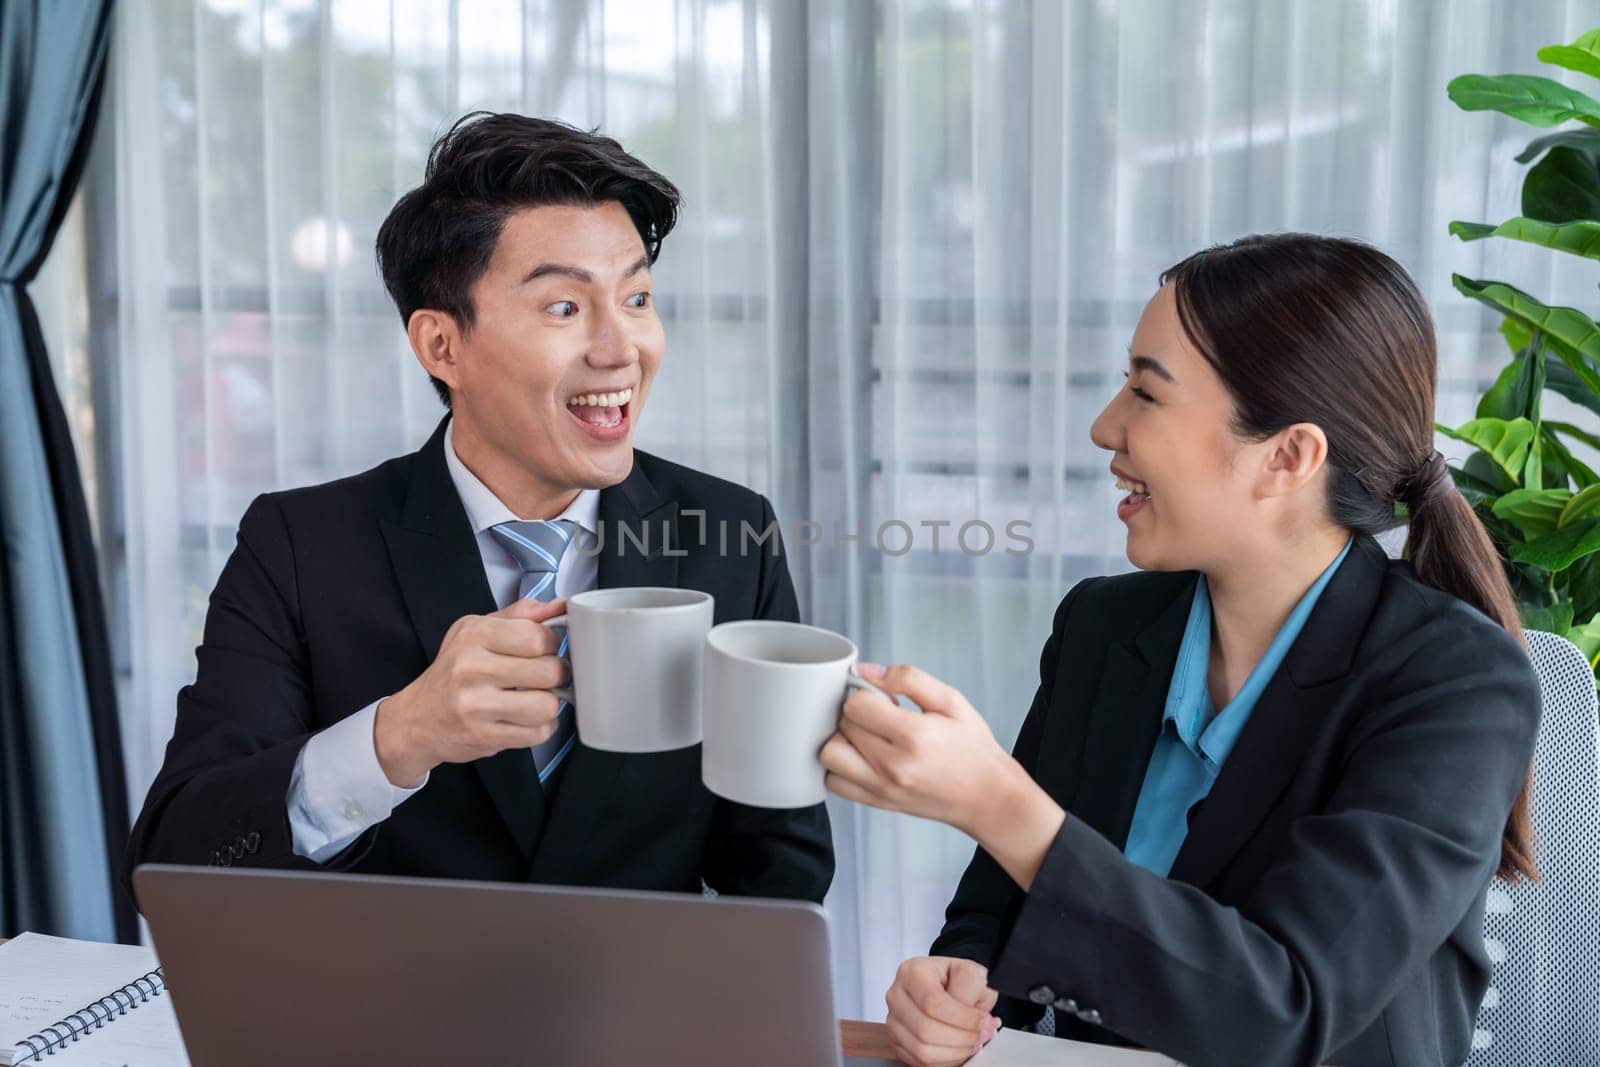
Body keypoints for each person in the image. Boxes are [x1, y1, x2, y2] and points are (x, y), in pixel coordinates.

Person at [820, 234, 1539, 1067]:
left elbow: (1287, 1007)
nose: (1104, 428)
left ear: (1288, 456)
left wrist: (994, 800)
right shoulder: (1103, 628)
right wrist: (956, 983)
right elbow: (998, 908)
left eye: (1146, 394)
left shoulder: (1457, 685)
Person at [125, 113, 832, 905]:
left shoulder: (734, 537)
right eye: (565, 307)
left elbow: (781, 871)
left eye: (636, 297)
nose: (620, 347)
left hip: (648, 1018)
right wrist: (399, 737)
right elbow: (176, 861)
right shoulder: (298, 547)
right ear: (441, 346)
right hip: (387, 1020)